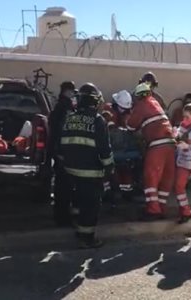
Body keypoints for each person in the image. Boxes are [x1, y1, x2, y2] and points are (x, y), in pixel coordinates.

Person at [58, 82, 114, 248]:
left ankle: (78, 229)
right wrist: (109, 167)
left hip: (70, 170)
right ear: (93, 101)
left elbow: (61, 145)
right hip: (91, 172)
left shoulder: (69, 118)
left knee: (78, 202)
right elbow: (104, 148)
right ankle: (87, 237)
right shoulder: (98, 120)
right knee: (91, 205)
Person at [127, 83, 175, 220]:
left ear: (138, 96)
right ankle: (161, 207)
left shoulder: (142, 105)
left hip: (157, 145)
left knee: (151, 177)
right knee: (167, 178)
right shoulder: (155, 102)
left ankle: (153, 210)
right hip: (171, 144)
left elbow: (131, 126)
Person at [48, 81, 78, 226]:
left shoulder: (59, 106)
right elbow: (62, 131)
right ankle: (63, 218)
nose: (73, 94)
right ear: (67, 91)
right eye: (72, 91)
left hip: (59, 151)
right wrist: (62, 152)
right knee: (64, 186)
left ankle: (61, 215)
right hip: (63, 152)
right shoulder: (65, 107)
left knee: (62, 185)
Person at [101, 90, 135, 202]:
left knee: (125, 168)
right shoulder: (108, 110)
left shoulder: (127, 114)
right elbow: (109, 129)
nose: (123, 110)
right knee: (107, 170)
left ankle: (126, 192)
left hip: (123, 149)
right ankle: (108, 191)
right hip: (109, 146)